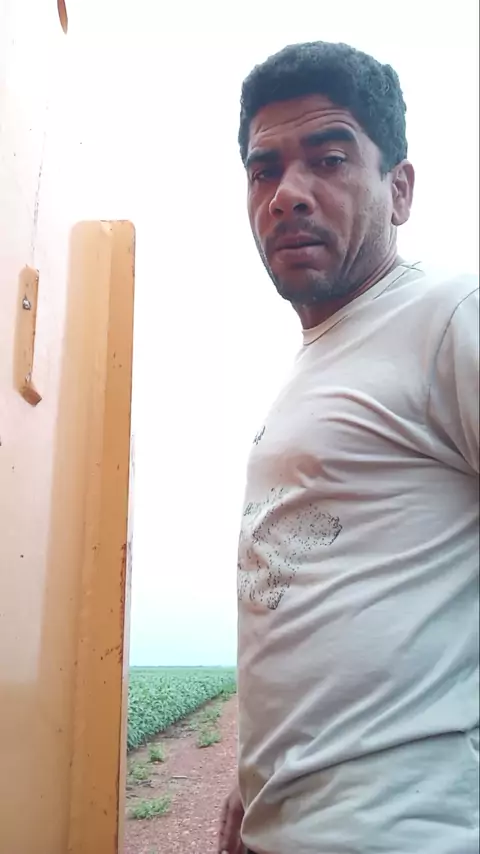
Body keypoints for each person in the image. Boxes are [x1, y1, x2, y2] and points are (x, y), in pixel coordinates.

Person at [218, 41, 479, 854]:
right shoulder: (324, 355)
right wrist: (258, 781)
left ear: (400, 190)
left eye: (328, 160)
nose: (287, 195)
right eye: (264, 171)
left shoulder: (450, 317)